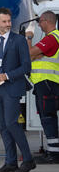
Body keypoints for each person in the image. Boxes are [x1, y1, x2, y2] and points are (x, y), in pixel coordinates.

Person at [0, 7, 35, 172]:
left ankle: (28, 160)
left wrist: (6, 76)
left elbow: (26, 66)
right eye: (4, 22)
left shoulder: (18, 41)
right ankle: (10, 162)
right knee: (2, 126)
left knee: (12, 124)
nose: (7, 24)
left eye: (9, 21)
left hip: (11, 87)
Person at [28, 11, 59, 163]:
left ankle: (54, 155)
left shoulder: (52, 38)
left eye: (40, 22)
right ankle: (52, 152)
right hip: (47, 84)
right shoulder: (50, 39)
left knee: (48, 118)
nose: (39, 25)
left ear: (46, 21)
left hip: (47, 83)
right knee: (48, 118)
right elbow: (34, 56)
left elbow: (28, 54)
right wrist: (34, 54)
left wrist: (28, 37)